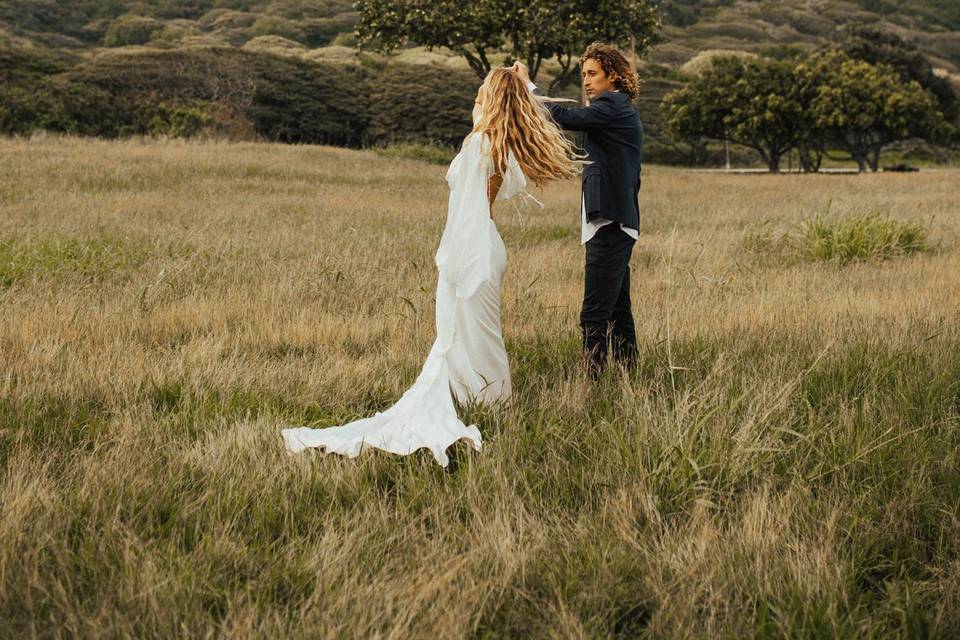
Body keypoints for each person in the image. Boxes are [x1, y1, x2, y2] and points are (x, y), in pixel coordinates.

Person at [281, 67, 578, 466]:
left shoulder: (479, 144)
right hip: (489, 246)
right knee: (480, 332)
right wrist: (515, 85)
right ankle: (489, 400)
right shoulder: (501, 146)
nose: (476, 95)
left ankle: (478, 399)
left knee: (466, 332)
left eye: (481, 91)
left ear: (490, 99)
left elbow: (463, 188)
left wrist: (451, 260)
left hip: (471, 249)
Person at [513, 43, 644, 377]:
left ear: (612, 76)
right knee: (617, 308)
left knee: (593, 314)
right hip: (614, 222)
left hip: (610, 224)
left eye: (592, 74)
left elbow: (566, 117)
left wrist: (528, 87)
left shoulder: (611, 104)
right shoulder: (615, 107)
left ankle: (591, 384)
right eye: (583, 74)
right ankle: (629, 375)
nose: (586, 81)